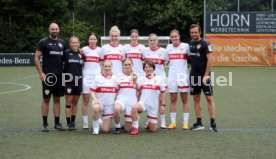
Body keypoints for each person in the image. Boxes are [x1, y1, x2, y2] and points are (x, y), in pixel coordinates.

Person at [34, 23, 66, 132]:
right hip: (48, 77)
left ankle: (57, 123)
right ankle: (45, 124)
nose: (54, 30)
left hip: (60, 76)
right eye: (52, 29)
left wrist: (79, 50)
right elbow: (36, 57)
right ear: (49, 30)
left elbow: (68, 55)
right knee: (46, 99)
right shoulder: (43, 42)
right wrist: (41, 73)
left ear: (58, 29)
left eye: (56, 29)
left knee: (57, 99)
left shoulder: (62, 43)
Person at [188, 24, 219, 132]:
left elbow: (210, 59)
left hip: (204, 77)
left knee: (209, 98)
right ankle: (199, 123)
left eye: (195, 32)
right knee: (196, 99)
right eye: (192, 32)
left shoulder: (205, 43)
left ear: (199, 32)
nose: (193, 34)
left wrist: (206, 75)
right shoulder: (190, 44)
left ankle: (213, 123)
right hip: (193, 76)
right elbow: (190, 60)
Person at [130, 60, 166, 135]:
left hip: (153, 105)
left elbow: (163, 93)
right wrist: (137, 101)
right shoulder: (141, 79)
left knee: (152, 129)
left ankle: (149, 122)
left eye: (149, 67)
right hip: (143, 103)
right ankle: (135, 127)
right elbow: (137, 90)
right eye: (146, 67)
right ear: (144, 69)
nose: (148, 69)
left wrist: (162, 105)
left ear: (153, 68)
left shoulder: (159, 79)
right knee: (134, 107)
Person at [141, 33, 168, 129]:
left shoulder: (164, 51)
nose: (152, 42)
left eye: (154, 40)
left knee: (161, 100)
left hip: (160, 79)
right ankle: (149, 121)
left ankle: (163, 121)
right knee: (149, 99)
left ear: (157, 41)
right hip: (149, 79)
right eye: (151, 40)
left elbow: (170, 62)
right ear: (148, 41)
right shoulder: (144, 51)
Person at [166, 29, 190, 130]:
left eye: (176, 36)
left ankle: (185, 123)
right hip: (172, 77)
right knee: (173, 100)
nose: (174, 38)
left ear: (179, 36)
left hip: (183, 77)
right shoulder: (168, 47)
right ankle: (173, 123)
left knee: (184, 99)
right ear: (170, 38)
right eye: (172, 37)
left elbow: (190, 59)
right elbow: (166, 61)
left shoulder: (186, 46)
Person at [90, 60, 117, 135]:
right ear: (102, 66)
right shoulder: (97, 77)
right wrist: (95, 99)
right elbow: (92, 90)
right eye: (105, 66)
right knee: (96, 108)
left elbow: (118, 91)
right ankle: (95, 128)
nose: (107, 68)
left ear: (111, 67)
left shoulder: (115, 79)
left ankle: (97, 119)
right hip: (99, 102)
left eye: (109, 66)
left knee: (106, 130)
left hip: (109, 105)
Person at [81, 34, 102, 129]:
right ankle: (85, 122)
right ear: (88, 40)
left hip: (97, 77)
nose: (92, 40)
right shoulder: (83, 49)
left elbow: (102, 62)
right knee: (85, 99)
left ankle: (98, 119)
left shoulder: (100, 50)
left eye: (94, 39)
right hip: (86, 77)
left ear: (96, 40)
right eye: (90, 39)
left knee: (97, 99)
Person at [63, 36, 83, 131]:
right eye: (73, 42)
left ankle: (73, 122)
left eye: (76, 42)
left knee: (75, 102)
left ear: (79, 44)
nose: (74, 44)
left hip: (78, 80)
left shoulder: (81, 54)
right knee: (68, 102)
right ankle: (68, 123)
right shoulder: (66, 53)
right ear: (70, 44)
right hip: (67, 80)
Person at [113, 58, 138, 134]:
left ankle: (127, 124)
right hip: (121, 100)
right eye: (125, 65)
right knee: (116, 108)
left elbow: (140, 89)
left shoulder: (136, 76)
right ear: (123, 65)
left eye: (129, 64)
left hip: (131, 102)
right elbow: (115, 90)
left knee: (128, 130)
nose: (127, 66)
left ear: (132, 65)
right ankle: (117, 126)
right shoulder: (118, 76)